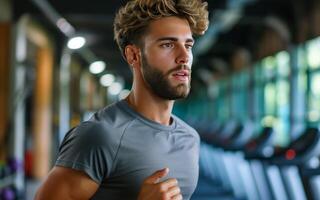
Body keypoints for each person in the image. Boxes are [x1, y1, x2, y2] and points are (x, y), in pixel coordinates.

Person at [35, 0, 209, 199]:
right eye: (168, 45)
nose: (184, 56)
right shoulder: (99, 136)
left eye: (188, 45)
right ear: (133, 55)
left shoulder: (190, 138)